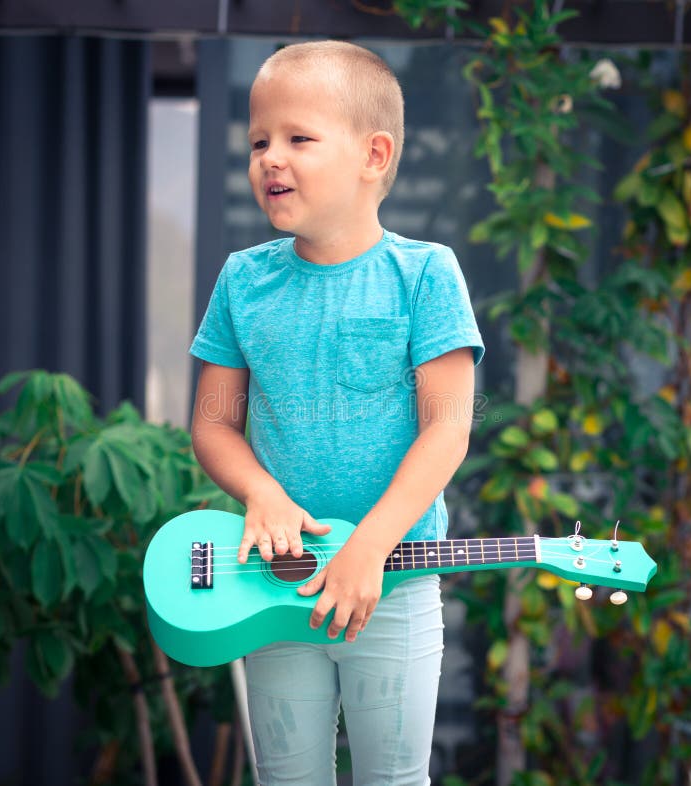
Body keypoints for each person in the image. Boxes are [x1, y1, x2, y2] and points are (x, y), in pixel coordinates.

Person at [189, 40, 485, 786]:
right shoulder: (242, 281)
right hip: (275, 582)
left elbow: (448, 427)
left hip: (396, 584)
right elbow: (214, 424)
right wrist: (261, 493)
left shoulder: (426, 274)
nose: (270, 159)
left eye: (298, 139)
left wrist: (369, 550)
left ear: (373, 156)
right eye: (258, 141)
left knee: (394, 779)